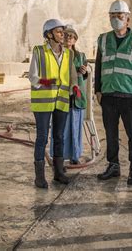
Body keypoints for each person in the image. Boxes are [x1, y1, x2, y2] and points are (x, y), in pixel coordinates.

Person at [94, 0, 132, 185]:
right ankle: (113, 165)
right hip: (108, 95)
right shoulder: (103, 39)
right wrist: (97, 89)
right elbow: (99, 66)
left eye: (120, 16)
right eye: (112, 16)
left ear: (128, 20)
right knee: (110, 133)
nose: (116, 19)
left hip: (129, 96)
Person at [28, 19, 79, 188]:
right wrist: (46, 81)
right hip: (43, 102)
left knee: (59, 136)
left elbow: (71, 74)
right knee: (42, 138)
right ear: (49, 34)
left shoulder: (68, 53)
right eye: (58, 32)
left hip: (62, 100)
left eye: (63, 32)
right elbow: (32, 77)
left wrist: (74, 86)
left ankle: (59, 173)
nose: (62, 35)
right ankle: (39, 177)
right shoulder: (39, 51)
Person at [50, 25, 88, 164]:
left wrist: (83, 72)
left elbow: (84, 76)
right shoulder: (58, 54)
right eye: (66, 36)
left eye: (71, 36)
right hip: (62, 95)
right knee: (61, 128)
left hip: (77, 96)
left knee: (75, 126)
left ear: (75, 39)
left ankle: (74, 156)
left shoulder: (81, 56)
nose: (68, 38)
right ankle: (59, 157)